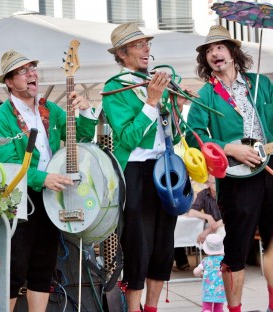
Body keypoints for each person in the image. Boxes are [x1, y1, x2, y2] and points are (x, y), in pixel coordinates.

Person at [0, 49, 97, 312]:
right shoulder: (0, 119)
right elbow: (8, 166)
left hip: (51, 196)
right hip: (20, 200)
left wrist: (86, 111)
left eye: (33, 68)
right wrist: (44, 178)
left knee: (44, 268)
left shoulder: (51, 109)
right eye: (23, 71)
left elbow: (78, 140)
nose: (31, 74)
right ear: (9, 82)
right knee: (14, 271)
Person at [102, 22, 190, 312]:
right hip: (137, 171)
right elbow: (127, 137)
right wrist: (152, 101)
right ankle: (133, 307)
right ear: (123, 54)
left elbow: (173, 136)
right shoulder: (114, 88)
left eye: (147, 44)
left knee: (165, 242)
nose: (147, 49)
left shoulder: (155, 81)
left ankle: (151, 308)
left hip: (164, 167)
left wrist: (176, 106)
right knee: (138, 244)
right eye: (140, 45)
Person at [186, 25, 273, 312]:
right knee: (236, 249)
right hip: (236, 179)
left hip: (270, 170)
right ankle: (235, 309)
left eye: (220, 47)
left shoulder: (261, 83)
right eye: (209, 50)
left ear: (233, 52)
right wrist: (229, 147)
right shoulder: (205, 96)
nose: (214, 53)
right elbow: (193, 136)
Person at [173, 174, 225, 272]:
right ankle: (210, 267)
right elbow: (191, 212)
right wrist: (207, 216)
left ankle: (218, 268)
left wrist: (207, 230)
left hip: (225, 226)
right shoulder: (204, 194)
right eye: (214, 182)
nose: (218, 184)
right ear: (208, 184)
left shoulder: (226, 193)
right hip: (213, 226)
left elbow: (228, 218)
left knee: (221, 234)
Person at [193, 233, 226, 312]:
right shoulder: (224, 261)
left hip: (208, 291)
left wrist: (201, 274)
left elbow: (195, 272)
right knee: (218, 309)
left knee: (206, 308)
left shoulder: (206, 261)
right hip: (221, 291)